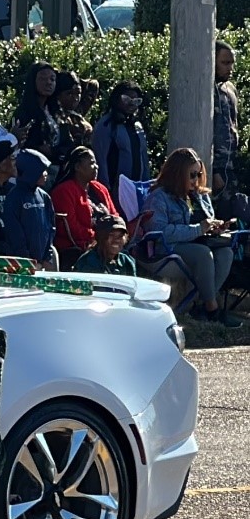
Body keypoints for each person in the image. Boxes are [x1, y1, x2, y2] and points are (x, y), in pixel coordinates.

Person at [146, 148, 241, 326]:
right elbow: (159, 233)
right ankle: (212, 309)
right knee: (203, 253)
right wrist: (198, 229)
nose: (196, 180)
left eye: (198, 174)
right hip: (167, 250)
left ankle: (200, 305)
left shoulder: (200, 196)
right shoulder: (159, 197)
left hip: (198, 243)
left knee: (226, 253)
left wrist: (215, 227)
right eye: (191, 174)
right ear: (178, 173)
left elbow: (205, 224)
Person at [50, 145, 117, 268]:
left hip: (106, 243)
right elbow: (71, 228)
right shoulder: (64, 191)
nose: (96, 167)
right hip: (77, 248)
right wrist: (99, 239)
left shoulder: (100, 188)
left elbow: (114, 216)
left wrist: (115, 235)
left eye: (96, 163)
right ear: (77, 167)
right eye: (91, 163)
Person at [92, 81, 151, 207]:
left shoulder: (137, 126)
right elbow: (100, 160)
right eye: (126, 99)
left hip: (137, 190)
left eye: (136, 101)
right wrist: (104, 190)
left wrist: (147, 187)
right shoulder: (106, 125)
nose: (131, 104)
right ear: (116, 99)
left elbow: (144, 160)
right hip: (114, 190)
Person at [0, 148, 57, 269]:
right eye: (41, 170)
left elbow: (51, 227)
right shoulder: (14, 198)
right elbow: (14, 232)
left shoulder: (44, 197)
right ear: (31, 172)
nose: (46, 174)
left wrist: (47, 256)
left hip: (42, 262)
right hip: (23, 264)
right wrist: (26, 260)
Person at [12, 62, 63, 162]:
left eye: (52, 79)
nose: (48, 82)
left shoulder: (56, 112)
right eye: (43, 78)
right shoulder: (24, 112)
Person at [214, 40, 239, 194]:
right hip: (212, 168)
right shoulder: (204, 89)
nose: (230, 68)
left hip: (230, 166)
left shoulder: (230, 89)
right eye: (225, 63)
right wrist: (215, 170)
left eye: (232, 63)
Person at [54, 71, 94, 158]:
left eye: (78, 93)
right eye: (69, 93)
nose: (75, 98)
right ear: (58, 94)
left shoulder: (78, 119)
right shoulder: (51, 117)